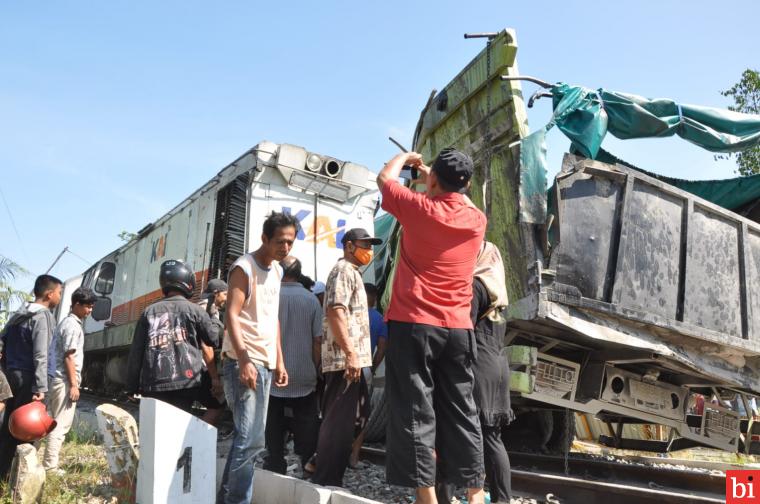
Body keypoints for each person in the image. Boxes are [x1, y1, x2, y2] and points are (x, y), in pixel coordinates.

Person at [377, 148, 487, 504]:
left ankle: (427, 500)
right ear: (467, 183)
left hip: (414, 325)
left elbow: (384, 180)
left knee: (414, 410)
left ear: (434, 179)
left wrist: (404, 158)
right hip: (458, 327)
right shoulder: (477, 219)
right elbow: (452, 195)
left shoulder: (418, 209)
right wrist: (433, 176)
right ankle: (475, 495)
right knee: (462, 411)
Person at [218, 212, 294, 504]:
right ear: (264, 238)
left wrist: (280, 359)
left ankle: (227, 499)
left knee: (249, 439)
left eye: (290, 242)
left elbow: (271, 317)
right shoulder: (244, 267)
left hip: (264, 361)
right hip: (243, 360)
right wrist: (244, 359)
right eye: (280, 241)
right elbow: (232, 315)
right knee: (250, 440)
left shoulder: (276, 270)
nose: (285, 248)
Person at [311, 228, 380, 487]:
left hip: (353, 360)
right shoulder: (342, 271)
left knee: (360, 415)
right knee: (339, 420)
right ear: (349, 246)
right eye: (365, 245)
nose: (369, 251)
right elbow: (336, 310)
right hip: (344, 360)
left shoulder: (353, 273)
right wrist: (351, 354)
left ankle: (320, 463)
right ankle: (326, 477)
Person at [126, 259, 221, 412]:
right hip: (186, 383)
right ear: (187, 281)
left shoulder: (148, 312)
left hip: (154, 383)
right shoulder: (195, 310)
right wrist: (214, 317)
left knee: (158, 425)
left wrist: (131, 386)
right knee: (187, 418)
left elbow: (136, 353)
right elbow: (213, 339)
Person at [263, 256, 322, 474]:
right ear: (299, 273)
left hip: (272, 372)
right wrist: (314, 367)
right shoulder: (311, 300)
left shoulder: (269, 297)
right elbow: (318, 340)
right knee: (307, 421)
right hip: (303, 371)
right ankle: (307, 462)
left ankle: (275, 462)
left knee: (273, 421)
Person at [0, 274, 62, 479]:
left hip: (11, 376)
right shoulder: (43, 317)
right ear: (49, 294)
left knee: (9, 426)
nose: (60, 298)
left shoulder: (18, 314)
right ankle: (21, 479)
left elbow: (2, 342)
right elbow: (41, 354)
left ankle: (3, 473)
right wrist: (41, 388)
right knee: (29, 429)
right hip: (30, 379)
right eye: (59, 293)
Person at [470, 242, 512, 503]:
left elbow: (463, 328)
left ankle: (445, 494)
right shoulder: (499, 294)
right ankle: (502, 499)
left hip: (479, 365)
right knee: (492, 437)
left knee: (467, 432)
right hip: (498, 366)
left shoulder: (476, 286)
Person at [43, 287, 97, 474]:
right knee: (60, 423)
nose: (90, 311)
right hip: (63, 381)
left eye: (92, 307)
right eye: (87, 307)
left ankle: (38, 459)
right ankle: (50, 467)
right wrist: (74, 385)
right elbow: (69, 357)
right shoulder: (73, 326)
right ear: (76, 305)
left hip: (55, 379)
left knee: (49, 421)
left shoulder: (66, 322)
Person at [348, 282, 387, 467]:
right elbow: (381, 349)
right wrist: (372, 367)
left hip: (345, 365)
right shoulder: (380, 319)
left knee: (341, 411)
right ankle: (354, 457)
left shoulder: (350, 315)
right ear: (376, 299)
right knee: (362, 415)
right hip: (364, 367)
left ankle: (336, 452)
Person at [197, 278, 228, 426]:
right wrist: (214, 378)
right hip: (200, 367)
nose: (227, 299)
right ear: (216, 294)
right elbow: (206, 346)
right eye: (226, 294)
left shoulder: (205, 308)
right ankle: (200, 440)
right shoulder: (207, 311)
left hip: (194, 365)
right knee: (217, 405)